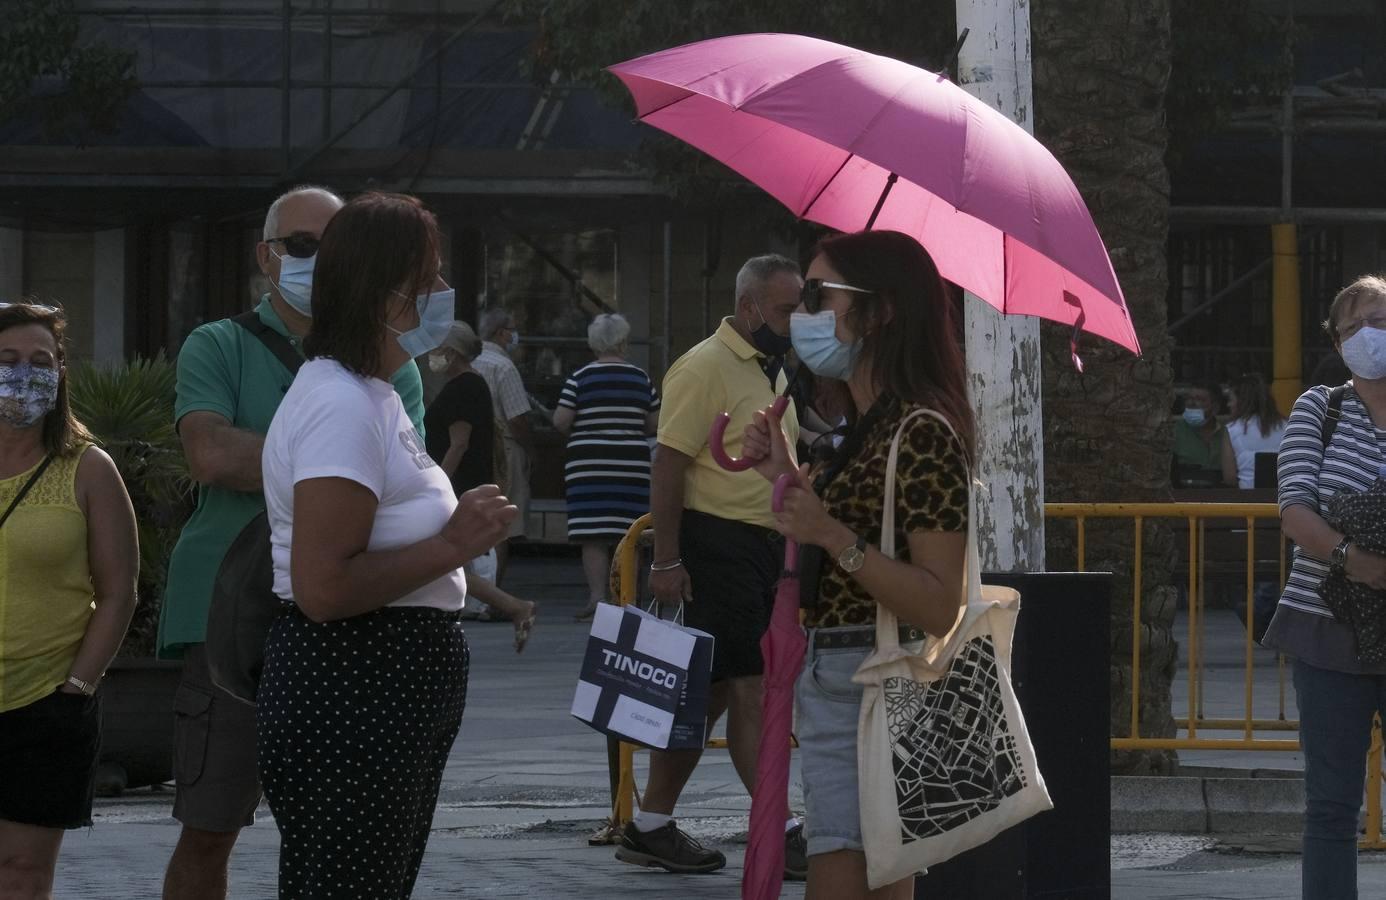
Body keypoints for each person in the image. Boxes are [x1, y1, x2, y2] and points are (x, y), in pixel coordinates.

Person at [157, 185, 429, 900]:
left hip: (343, 627)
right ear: (265, 258)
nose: (316, 260)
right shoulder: (218, 344)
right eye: (299, 246)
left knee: (342, 838)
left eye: (330, 246)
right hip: (226, 616)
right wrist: (331, 456)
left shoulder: (395, 364)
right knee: (210, 826)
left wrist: (293, 458)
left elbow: (398, 496)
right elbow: (209, 455)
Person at [258, 192, 530, 899]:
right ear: (383, 289)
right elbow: (323, 588)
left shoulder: (373, 392)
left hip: (387, 680)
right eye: (428, 277)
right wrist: (453, 543)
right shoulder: (339, 402)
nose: (443, 293)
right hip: (357, 680)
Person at [739, 230, 972, 900]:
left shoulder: (921, 430)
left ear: (881, 310)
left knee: (844, 877)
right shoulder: (870, 428)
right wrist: (784, 475)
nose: (805, 312)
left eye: (820, 294)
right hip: (844, 675)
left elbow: (937, 602)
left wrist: (830, 531)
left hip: (870, 680)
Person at [615, 254, 805, 878]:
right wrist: (666, 558)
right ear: (750, 308)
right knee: (747, 686)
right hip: (716, 545)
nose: (796, 320)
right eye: (785, 308)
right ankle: (778, 829)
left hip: (758, 549)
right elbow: (668, 463)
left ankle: (650, 824)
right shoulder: (705, 365)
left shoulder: (770, 369)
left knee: (710, 694)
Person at [0, 302, 139, 899]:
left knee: (21, 874)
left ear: (60, 373)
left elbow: (118, 590)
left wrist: (77, 688)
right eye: (5, 361)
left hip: (43, 705)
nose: (23, 375)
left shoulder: (87, 468)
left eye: (40, 361)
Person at [1263, 274, 1386, 900]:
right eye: (1353, 324)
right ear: (1337, 343)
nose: (1369, 333)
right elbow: (1294, 509)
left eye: (1382, 319)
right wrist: (1351, 557)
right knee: (1332, 808)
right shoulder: (1320, 407)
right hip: (1328, 629)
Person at [552, 313, 660, 622]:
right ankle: (628, 599)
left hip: (588, 467)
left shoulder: (579, 378)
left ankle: (598, 598)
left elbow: (561, 421)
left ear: (594, 343)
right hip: (630, 467)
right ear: (624, 342)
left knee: (593, 535)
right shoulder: (641, 379)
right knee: (631, 534)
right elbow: (654, 423)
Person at [474, 307, 533, 586]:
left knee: (477, 521)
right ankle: (493, 593)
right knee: (501, 524)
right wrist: (530, 450)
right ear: (500, 333)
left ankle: (476, 593)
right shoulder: (503, 366)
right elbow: (518, 418)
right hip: (504, 450)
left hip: (474, 449)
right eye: (512, 329)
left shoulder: (471, 361)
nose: (514, 335)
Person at [424, 321, 496, 498]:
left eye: (437, 348)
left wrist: (439, 487)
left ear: (452, 352)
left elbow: (459, 444)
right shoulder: (469, 382)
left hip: (460, 488)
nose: (432, 353)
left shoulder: (464, 387)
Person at [1221, 372, 1288, 490]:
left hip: (1248, 499)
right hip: (1285, 497)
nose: (1228, 404)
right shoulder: (1289, 426)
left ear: (1242, 401)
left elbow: (1229, 477)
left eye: (1231, 399)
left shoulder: (1231, 429)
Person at [1172, 382, 1226, 486]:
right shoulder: (1173, 432)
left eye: (1199, 399)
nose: (1191, 403)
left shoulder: (1229, 433)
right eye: (1189, 398)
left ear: (1215, 407)